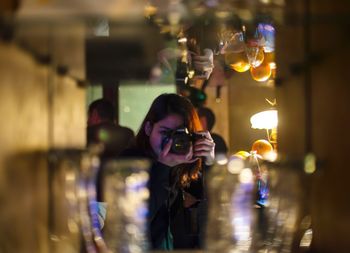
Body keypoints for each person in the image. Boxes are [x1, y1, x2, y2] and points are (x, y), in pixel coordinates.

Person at [121, 93, 215, 250]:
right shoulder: (129, 161)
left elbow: (207, 196)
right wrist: (164, 166)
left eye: (179, 135)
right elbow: (132, 221)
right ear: (149, 128)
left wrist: (209, 162)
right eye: (165, 133)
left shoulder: (182, 159)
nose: (171, 142)